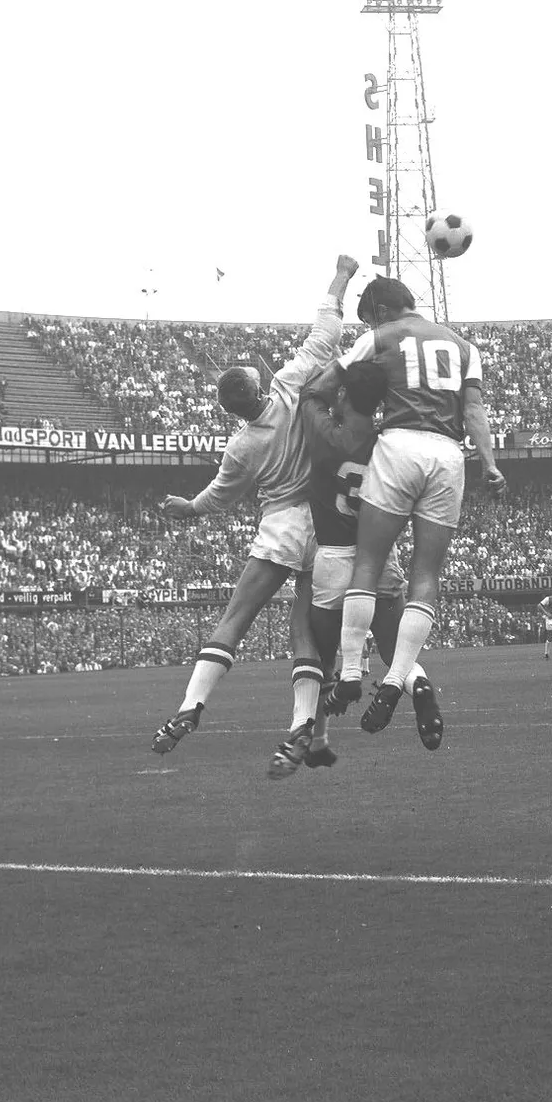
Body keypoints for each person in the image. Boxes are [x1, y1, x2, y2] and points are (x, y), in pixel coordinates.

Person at [152, 254, 360, 756]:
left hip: (281, 524)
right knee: (306, 631)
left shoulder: (241, 447)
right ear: (255, 384)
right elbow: (326, 331)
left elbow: (218, 497)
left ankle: (190, 706)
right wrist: (341, 275)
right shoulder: (289, 386)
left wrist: (189, 507)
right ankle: (301, 725)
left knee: (235, 619)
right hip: (325, 522)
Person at [322, 276, 506, 733]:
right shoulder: (464, 346)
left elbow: (328, 381)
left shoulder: (380, 336)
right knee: (426, 576)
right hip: (448, 456)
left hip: (399, 444)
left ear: (381, 311)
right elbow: (474, 412)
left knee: (368, 562)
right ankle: (397, 678)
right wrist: (490, 464)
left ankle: (348, 673)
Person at [285, 358, 444, 775]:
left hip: (334, 560)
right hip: (380, 560)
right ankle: (418, 685)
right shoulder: (390, 443)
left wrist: (340, 365)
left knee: (319, 655)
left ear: (342, 394)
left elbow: (308, 394)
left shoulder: (325, 432)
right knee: (395, 653)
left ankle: (312, 733)